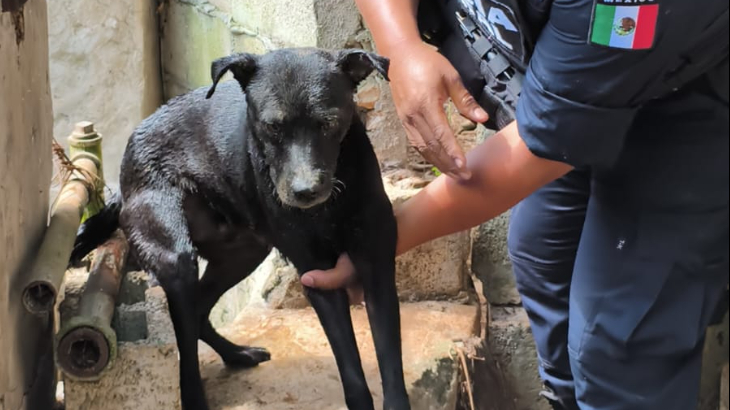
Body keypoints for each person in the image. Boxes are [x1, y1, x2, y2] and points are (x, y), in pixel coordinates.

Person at [302, 0, 730, 409]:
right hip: (576, 77)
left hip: (690, 102)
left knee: (621, 337)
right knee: (542, 257)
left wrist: (380, 243)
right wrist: (400, 47)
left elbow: (538, 151)